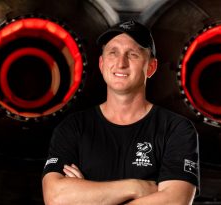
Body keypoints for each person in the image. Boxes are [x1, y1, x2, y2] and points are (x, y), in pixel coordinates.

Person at [42, 20, 199, 205]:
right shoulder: (73, 127)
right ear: (101, 64)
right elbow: (56, 198)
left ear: (151, 67)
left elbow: (175, 201)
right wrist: (137, 187)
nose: (121, 63)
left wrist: (87, 197)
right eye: (112, 53)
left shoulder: (176, 129)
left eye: (132, 54)